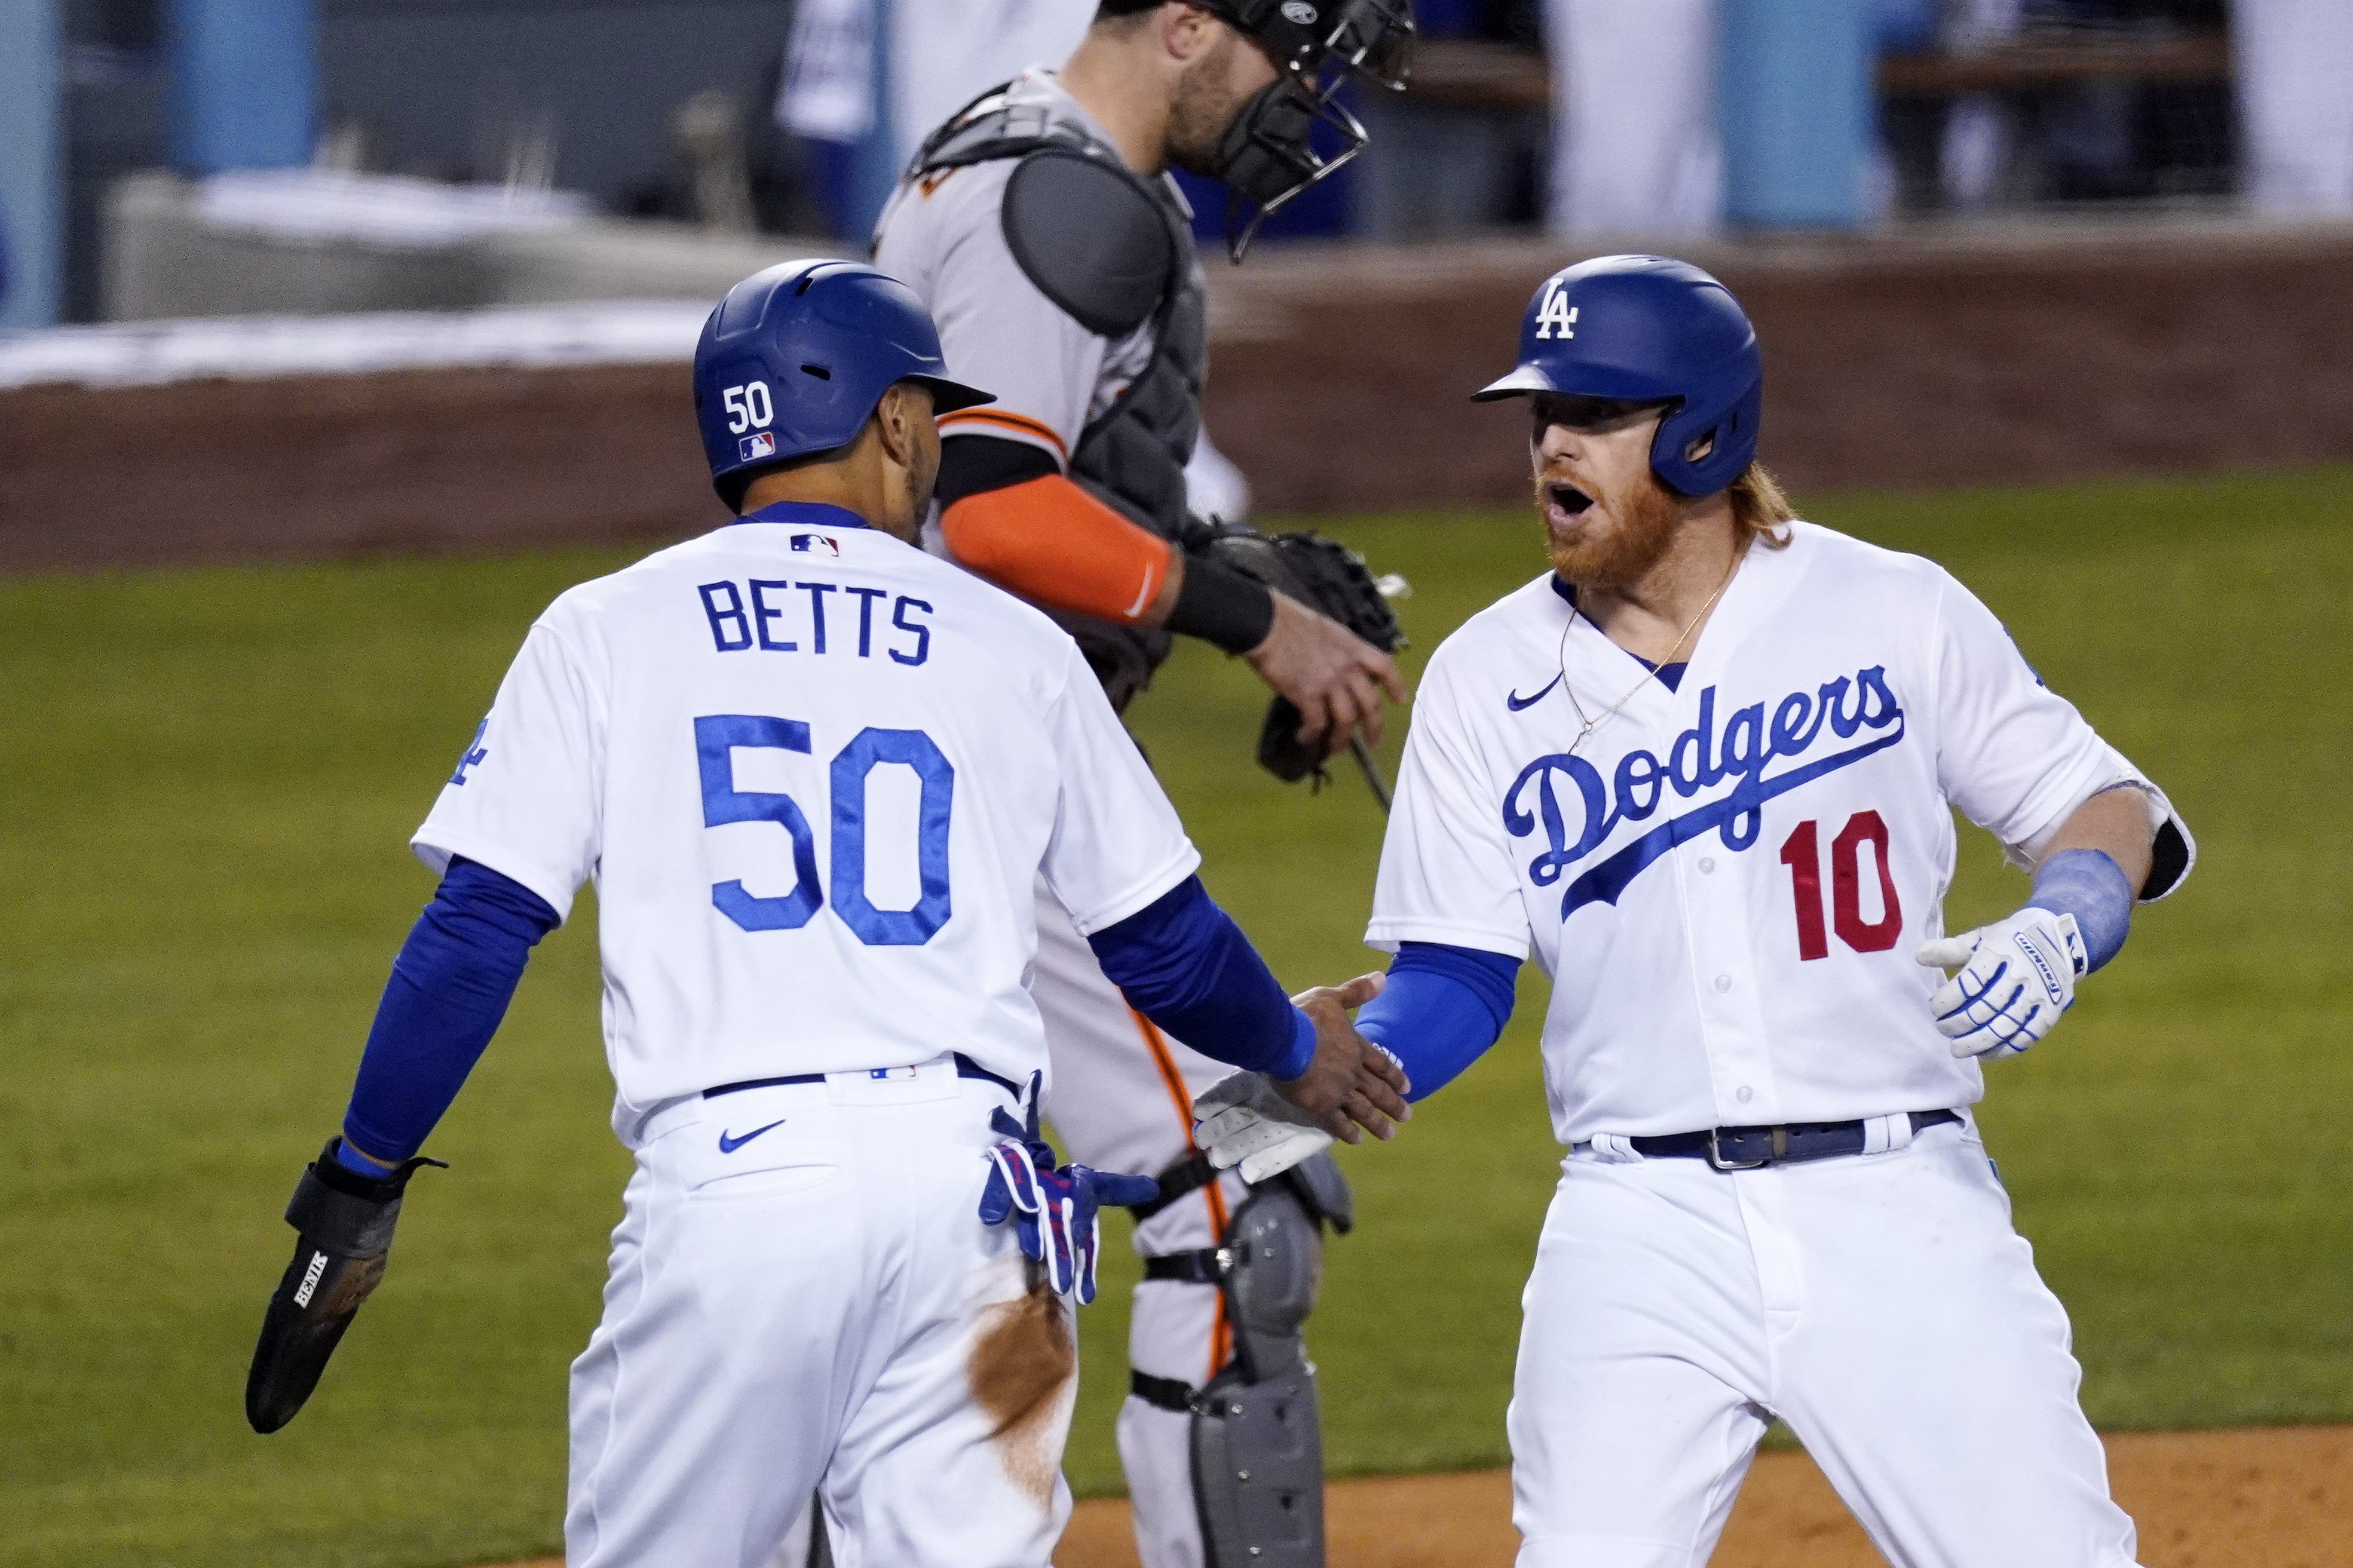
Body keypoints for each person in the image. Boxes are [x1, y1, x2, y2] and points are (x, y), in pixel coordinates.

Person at [239, 259, 1410, 1568]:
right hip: (983, 1212)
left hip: (742, 1198)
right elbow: (1164, 944)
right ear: (895, 420)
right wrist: (1301, 1049)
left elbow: (474, 932)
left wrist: (363, 1173)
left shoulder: (607, 625)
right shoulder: (1010, 640)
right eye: (931, 413)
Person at [1203, 253, 2196, 1565]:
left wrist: (2060, 922)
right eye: (1541, 415)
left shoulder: (1887, 608)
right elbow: (1457, 979)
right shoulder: (1485, 676)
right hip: (1637, 1231)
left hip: (1897, 1204)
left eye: (1599, 414)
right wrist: (1275, 1088)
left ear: (1707, 430)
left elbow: (2109, 804)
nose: (1554, 443)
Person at [868, 6, 1416, 1567]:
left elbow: (1014, 497)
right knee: (1229, 1199)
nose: (1297, 106)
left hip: (920, 771)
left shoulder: (1005, 154)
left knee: (954, 1238)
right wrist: (1260, 621)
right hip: (982, 782)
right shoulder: (1068, 203)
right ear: (1180, 25)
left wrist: (1221, 582)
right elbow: (990, 514)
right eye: (1282, 60)